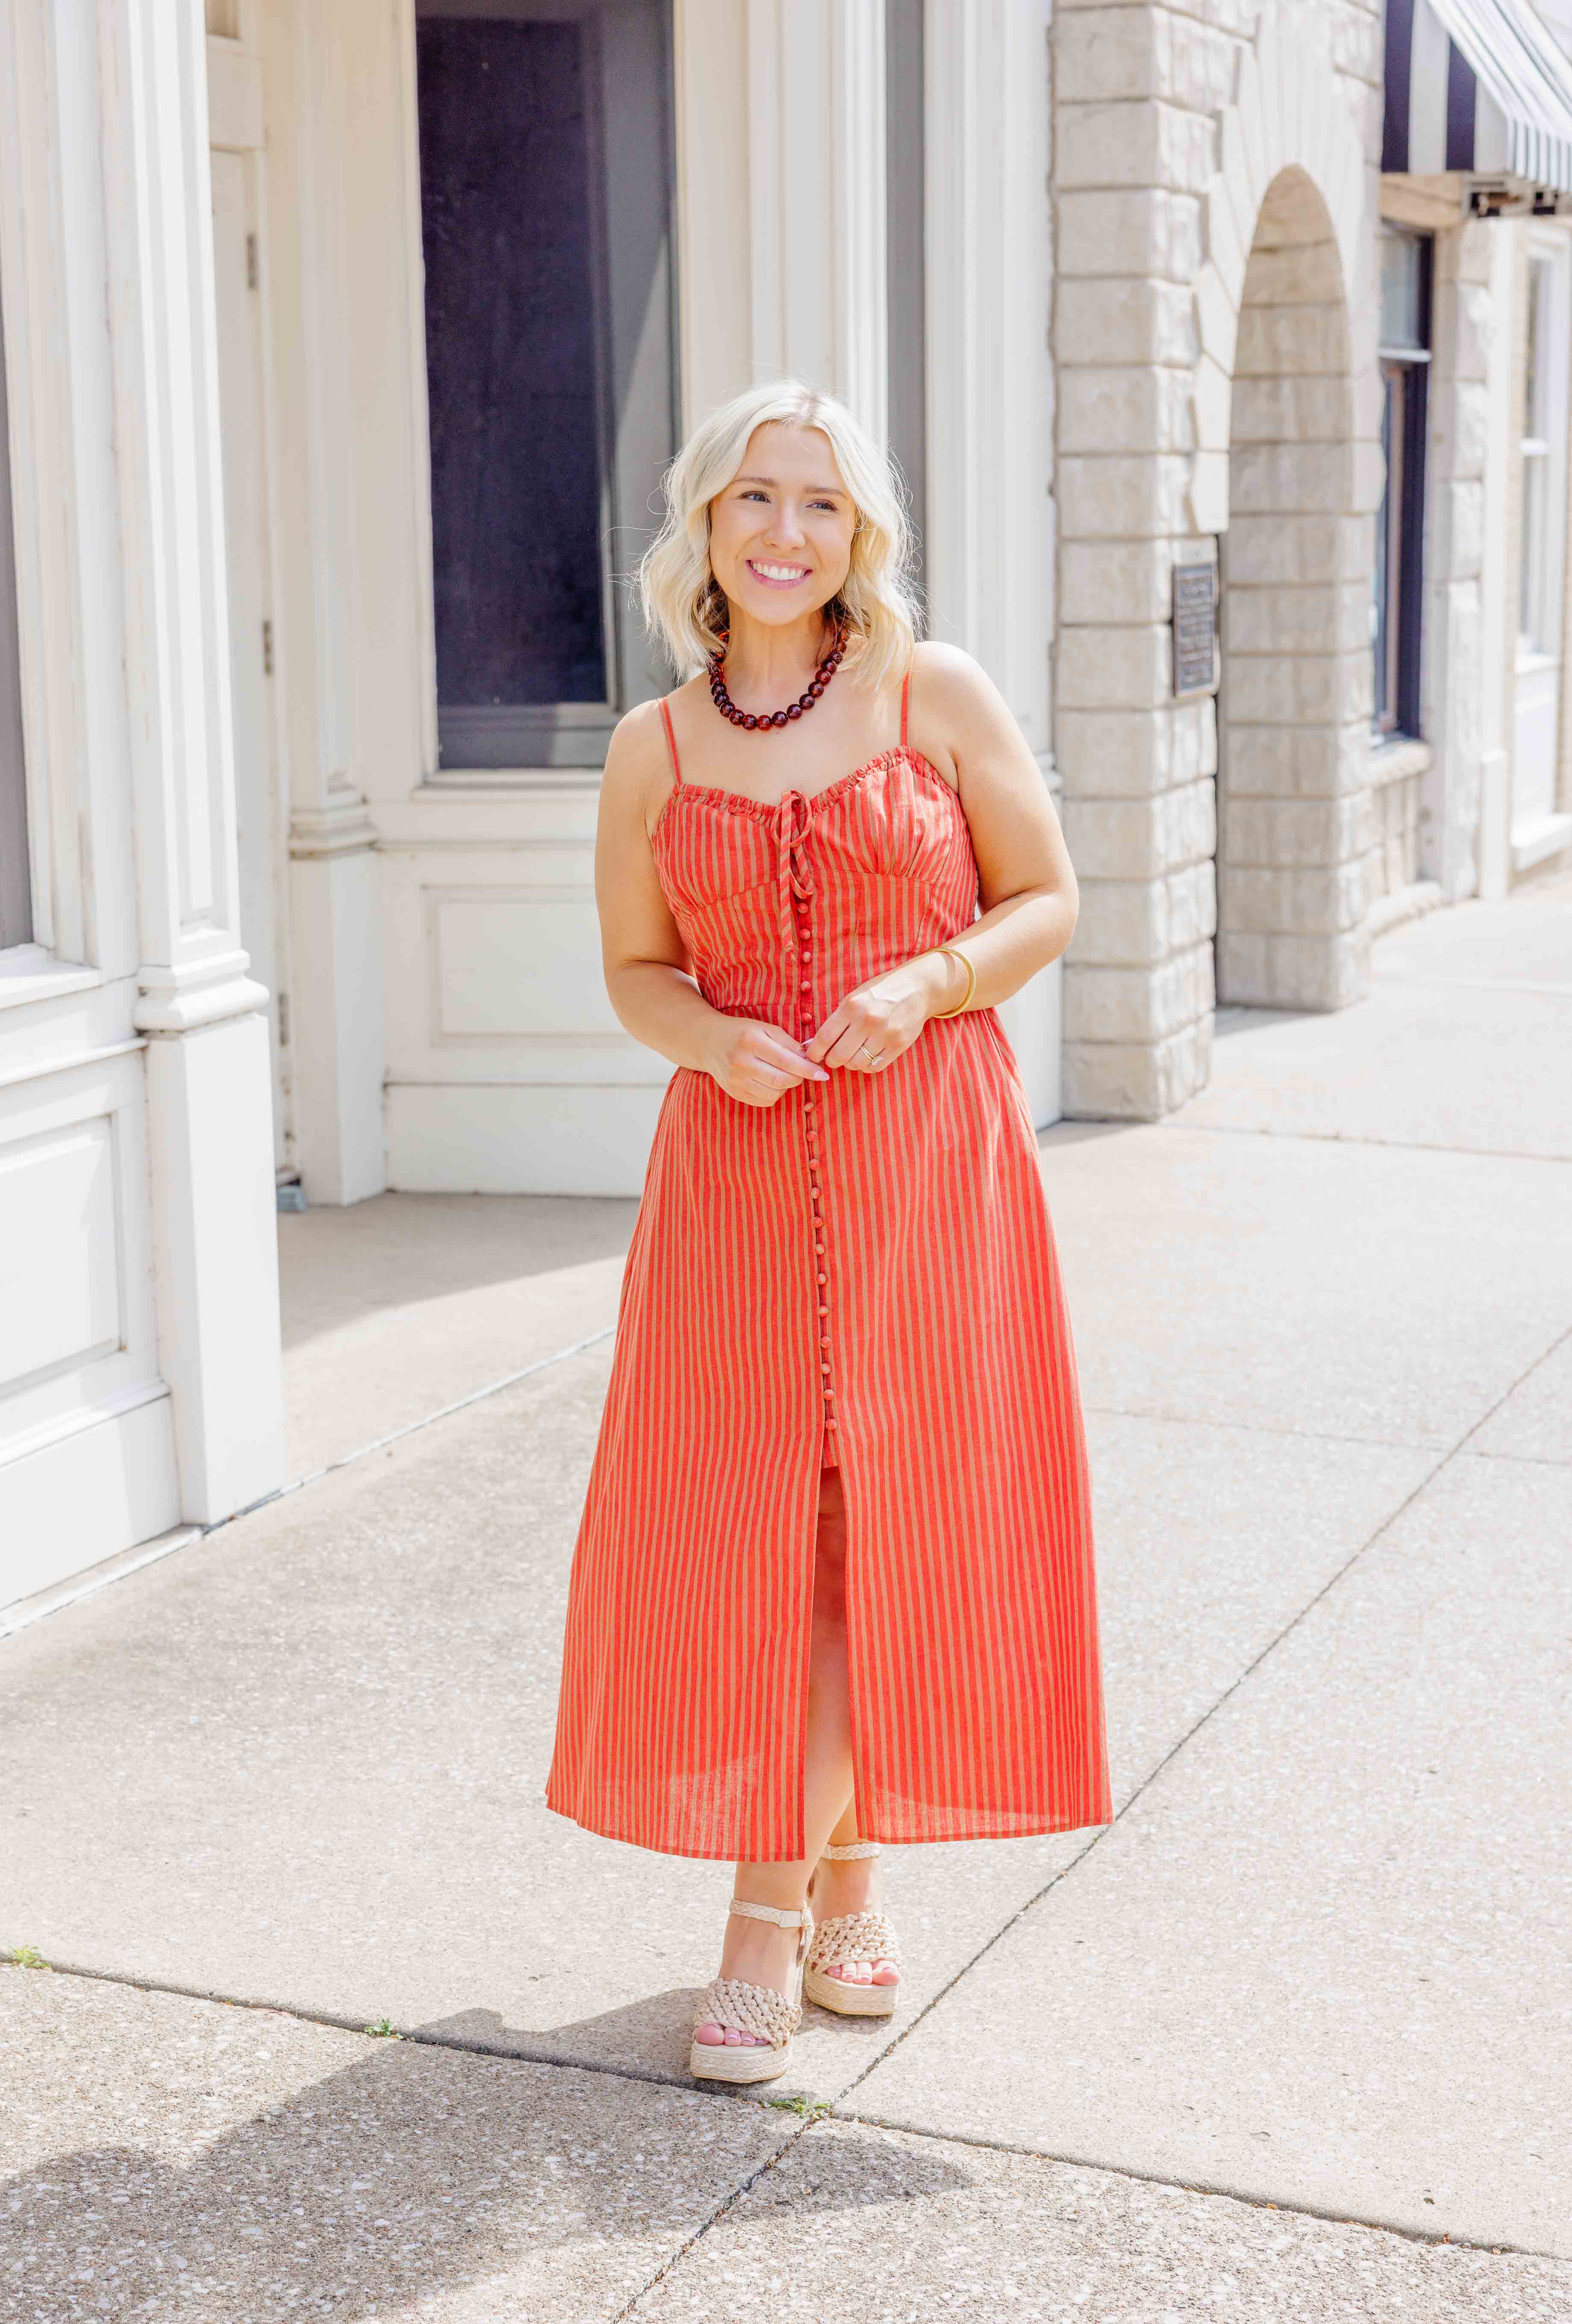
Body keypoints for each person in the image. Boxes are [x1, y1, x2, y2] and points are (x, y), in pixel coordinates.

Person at [546, 379, 1111, 2085]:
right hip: (729, 1184)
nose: (782, 533)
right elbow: (636, 968)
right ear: (701, 532)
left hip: (926, 1167)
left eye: (816, 503)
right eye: (750, 500)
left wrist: (928, 978)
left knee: (905, 1526)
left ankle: (761, 1920)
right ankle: (838, 1882)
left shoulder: (932, 696)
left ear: (858, 534)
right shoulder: (650, 747)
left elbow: (1046, 900)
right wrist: (706, 1035)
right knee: (757, 1538)